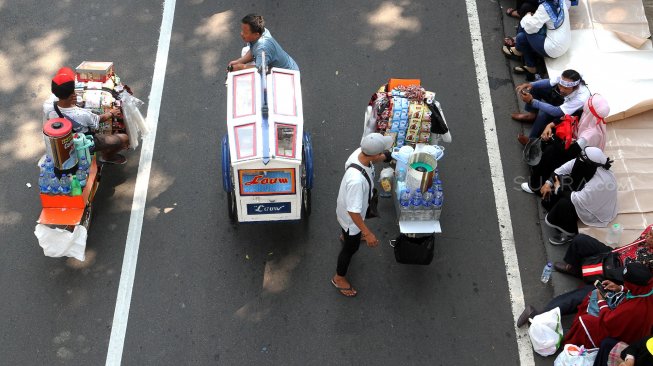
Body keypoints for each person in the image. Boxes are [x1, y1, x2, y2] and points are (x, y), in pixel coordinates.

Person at [517, 262, 653, 351]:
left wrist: (601, 302)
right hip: (621, 316)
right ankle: (541, 316)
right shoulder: (646, 289)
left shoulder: (634, 309)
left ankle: (562, 337)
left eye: (626, 282)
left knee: (586, 321)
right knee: (591, 292)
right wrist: (620, 288)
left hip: (618, 334)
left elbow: (610, 322)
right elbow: (633, 295)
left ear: (634, 285)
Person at [331, 133, 392, 297]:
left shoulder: (359, 153)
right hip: (351, 221)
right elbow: (353, 211)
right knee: (351, 249)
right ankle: (339, 277)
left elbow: (373, 158)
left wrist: (386, 156)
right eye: (381, 153)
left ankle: (345, 236)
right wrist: (367, 233)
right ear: (373, 154)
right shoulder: (356, 182)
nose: (382, 155)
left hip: (344, 210)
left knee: (349, 234)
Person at [522, 94, 609, 193]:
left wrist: (554, 140)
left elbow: (571, 152)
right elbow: (569, 117)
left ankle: (535, 186)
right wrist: (550, 125)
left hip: (580, 159)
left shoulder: (591, 134)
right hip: (573, 145)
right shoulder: (589, 116)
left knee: (551, 152)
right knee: (548, 133)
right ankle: (538, 169)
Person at [43, 67, 129, 165]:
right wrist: (112, 113)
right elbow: (99, 119)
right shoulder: (81, 114)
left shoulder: (47, 106)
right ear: (73, 95)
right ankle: (107, 157)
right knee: (124, 138)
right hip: (82, 142)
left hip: (62, 142)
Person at [540, 147, 617, 245]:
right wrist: (548, 183)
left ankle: (570, 233)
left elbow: (576, 199)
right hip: (586, 195)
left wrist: (558, 188)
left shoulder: (599, 183)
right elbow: (561, 170)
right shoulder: (587, 163)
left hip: (596, 211)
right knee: (561, 182)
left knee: (566, 203)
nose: (578, 162)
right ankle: (554, 208)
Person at [512, 69, 590, 145]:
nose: (561, 90)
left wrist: (532, 101)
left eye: (566, 88)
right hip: (562, 100)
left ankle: (531, 140)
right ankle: (532, 115)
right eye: (560, 85)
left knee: (544, 114)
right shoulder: (564, 77)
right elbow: (549, 82)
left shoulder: (581, 98)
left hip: (569, 113)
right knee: (536, 88)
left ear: (575, 87)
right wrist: (531, 84)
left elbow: (557, 112)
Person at [502, 0, 571, 78]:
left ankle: (524, 57)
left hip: (552, 48)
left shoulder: (545, 8)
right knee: (527, 19)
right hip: (564, 41)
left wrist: (528, 16)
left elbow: (529, 29)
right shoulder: (562, 1)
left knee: (522, 35)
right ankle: (520, 50)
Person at [553, 225, 653, 278]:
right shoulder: (651, 229)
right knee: (580, 240)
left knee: (593, 273)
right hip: (617, 253)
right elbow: (647, 233)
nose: (649, 235)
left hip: (625, 271)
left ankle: (581, 272)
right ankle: (573, 267)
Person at [228, 14, 299, 72]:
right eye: (242, 30)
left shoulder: (262, 49)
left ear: (256, 34)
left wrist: (241, 67)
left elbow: (259, 69)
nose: (241, 34)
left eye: (245, 32)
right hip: (282, 66)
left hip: (288, 74)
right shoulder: (262, 31)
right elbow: (253, 49)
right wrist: (239, 61)